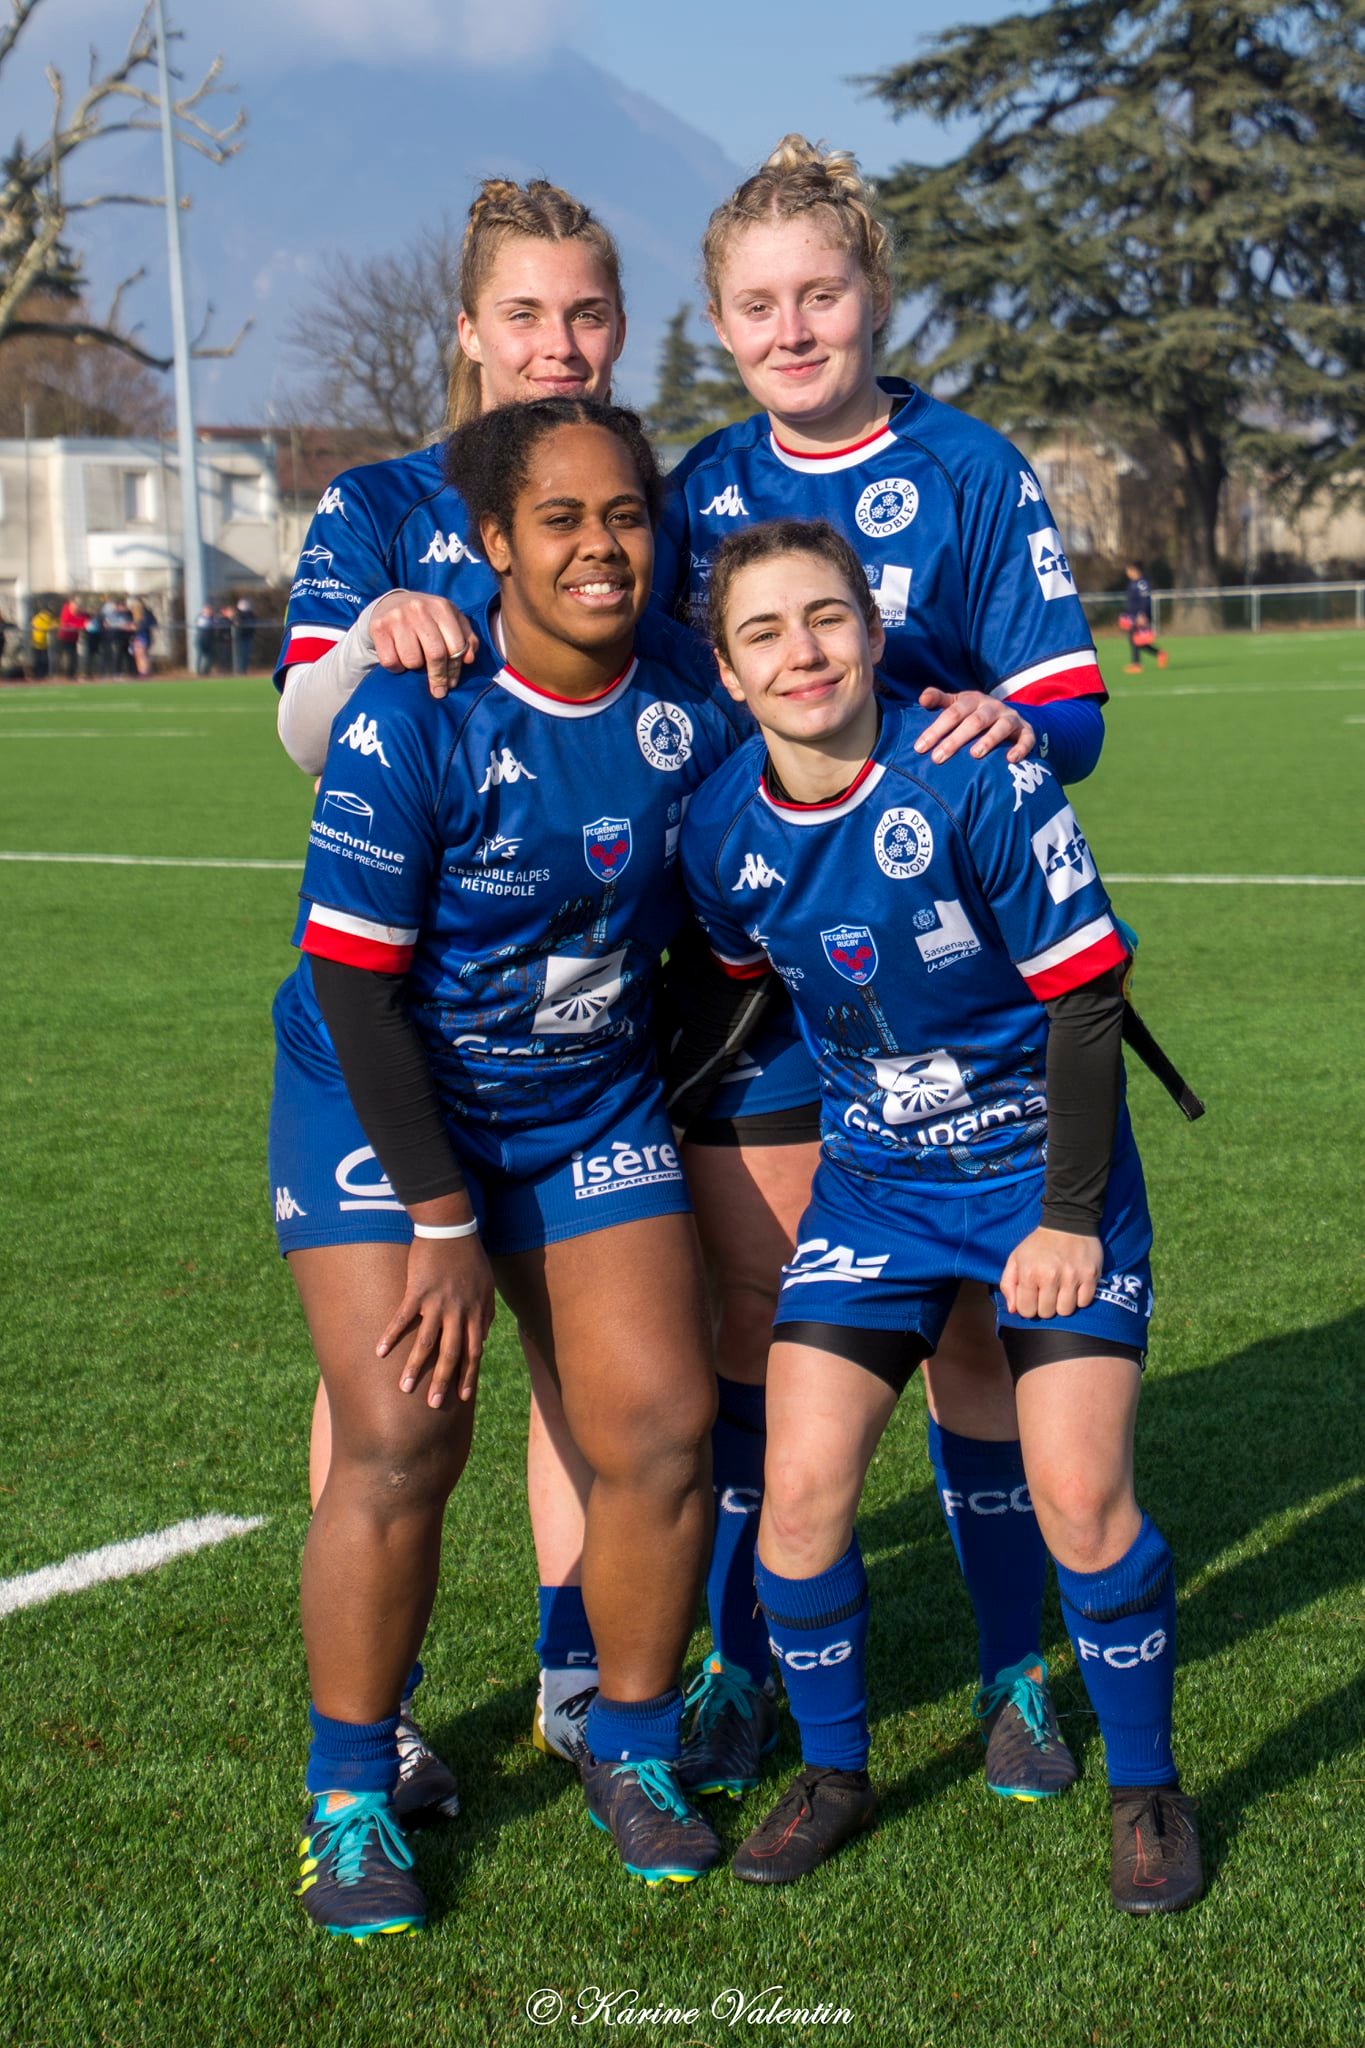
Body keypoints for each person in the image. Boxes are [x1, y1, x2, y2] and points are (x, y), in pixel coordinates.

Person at [644, 135, 1114, 1804]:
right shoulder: (698, 487)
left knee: (978, 1336)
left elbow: (1070, 706)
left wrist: (1015, 719)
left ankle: (1014, 1677)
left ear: (874, 297)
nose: (793, 328)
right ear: (720, 321)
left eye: (820, 294)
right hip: (763, 968)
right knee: (766, 1327)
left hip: (949, 972)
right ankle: (736, 1667)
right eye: (759, 304)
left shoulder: (973, 467)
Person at [272, 398, 747, 1937]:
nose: (602, 549)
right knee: (403, 1432)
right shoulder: (416, 707)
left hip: (586, 1101)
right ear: (493, 544)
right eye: (562, 521)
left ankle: (636, 1742)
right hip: (381, 1102)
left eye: (627, 517)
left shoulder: (690, 688)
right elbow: (350, 986)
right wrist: (439, 1217)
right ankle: (351, 1796)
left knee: (663, 1427)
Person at [680, 518, 1202, 1913]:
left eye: (826, 619)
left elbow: (1086, 1000)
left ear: (872, 629)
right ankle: (836, 1770)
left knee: (1083, 1497)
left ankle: (1147, 1787)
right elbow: (744, 981)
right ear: (727, 674)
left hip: (1044, 1179)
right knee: (797, 1489)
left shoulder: (974, 773)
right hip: (875, 1191)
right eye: (763, 634)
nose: (802, 654)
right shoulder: (720, 827)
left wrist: (1071, 1217)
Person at [274, 175, 629, 1803]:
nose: (559, 346)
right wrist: (380, 642)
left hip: (581, 1033)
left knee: (592, 1371)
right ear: (470, 331)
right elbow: (297, 725)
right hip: (395, 1031)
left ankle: (578, 1659)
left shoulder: (642, 496)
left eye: (586, 315)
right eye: (526, 315)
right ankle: (379, 1716)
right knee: (398, 1405)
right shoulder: (377, 502)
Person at [1119, 562, 1167, 673]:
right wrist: (1125, 615)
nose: (1128, 573)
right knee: (1138, 641)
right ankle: (1159, 653)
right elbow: (1131, 602)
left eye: (1130, 570)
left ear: (1136, 571)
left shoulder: (1142, 584)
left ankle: (1136, 665)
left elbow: (1145, 600)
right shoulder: (1132, 583)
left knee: (1135, 640)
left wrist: (1142, 614)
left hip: (1140, 616)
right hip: (1132, 616)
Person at [57, 596, 87, 680]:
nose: (77, 606)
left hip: (74, 639)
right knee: (68, 657)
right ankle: (67, 675)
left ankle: (72, 674)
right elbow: (67, 622)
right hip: (64, 638)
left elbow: (84, 623)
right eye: (75, 604)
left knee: (73, 657)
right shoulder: (66, 611)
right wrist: (79, 626)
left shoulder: (82, 615)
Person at [129, 598, 156, 678]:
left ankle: (145, 672)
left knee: (142, 655)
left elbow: (150, 623)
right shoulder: (134, 615)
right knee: (138, 655)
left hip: (143, 636)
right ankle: (141, 671)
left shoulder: (146, 614)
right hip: (137, 636)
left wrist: (138, 627)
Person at [28, 602, 56, 678]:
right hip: (41, 642)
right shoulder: (43, 618)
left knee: (40, 659)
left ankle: (40, 673)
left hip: (38, 642)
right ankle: (41, 673)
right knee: (42, 659)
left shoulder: (37, 618)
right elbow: (49, 626)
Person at [232, 596, 256, 674]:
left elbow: (253, 622)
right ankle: (239, 670)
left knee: (246, 654)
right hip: (239, 637)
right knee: (240, 654)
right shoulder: (238, 614)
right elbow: (237, 623)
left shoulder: (250, 614)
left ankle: (244, 669)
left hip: (248, 636)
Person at [194, 603, 216, 677]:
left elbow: (214, 626)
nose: (208, 611)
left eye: (209, 610)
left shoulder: (212, 618)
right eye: (207, 610)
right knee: (199, 655)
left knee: (209, 657)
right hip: (200, 639)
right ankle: (198, 672)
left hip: (209, 639)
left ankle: (206, 671)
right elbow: (203, 624)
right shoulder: (201, 617)